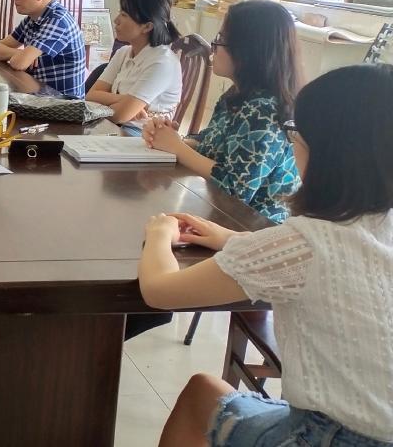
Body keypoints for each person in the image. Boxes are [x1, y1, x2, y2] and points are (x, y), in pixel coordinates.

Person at [139, 63, 393, 447]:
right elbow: (331, 258)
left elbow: (159, 291)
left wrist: (159, 234)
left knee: (199, 397)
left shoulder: (306, 241)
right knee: (204, 392)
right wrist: (232, 239)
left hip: (329, 436)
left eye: (296, 135)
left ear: (326, 153)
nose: (292, 144)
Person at [143, 0, 301, 223]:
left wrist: (177, 147)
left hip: (253, 226)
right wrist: (166, 137)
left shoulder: (265, 110)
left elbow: (235, 188)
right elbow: (210, 146)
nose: (214, 47)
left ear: (248, 50)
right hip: (219, 212)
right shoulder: (237, 94)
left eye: (220, 39)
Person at [86, 0, 182, 123]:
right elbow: (90, 96)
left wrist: (118, 105)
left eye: (124, 15)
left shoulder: (162, 62)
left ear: (147, 26)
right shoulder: (123, 52)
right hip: (114, 127)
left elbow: (119, 116)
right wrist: (126, 100)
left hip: (141, 132)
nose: (116, 20)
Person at [0, 0, 86, 97]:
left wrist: (22, 57)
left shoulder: (58, 20)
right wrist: (20, 53)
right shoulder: (32, 19)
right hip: (41, 96)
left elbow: (19, 63)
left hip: (63, 104)